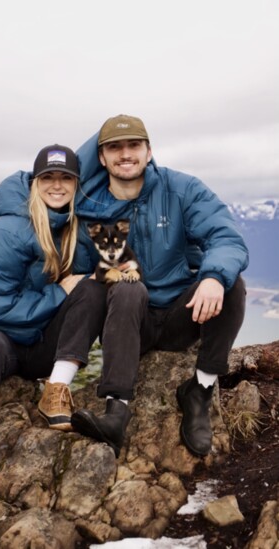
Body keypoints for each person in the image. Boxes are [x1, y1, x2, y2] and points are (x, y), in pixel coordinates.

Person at [71, 114, 248, 459]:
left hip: (180, 317)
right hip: (126, 325)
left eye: (134, 145)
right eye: (114, 147)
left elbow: (226, 237)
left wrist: (212, 277)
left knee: (231, 283)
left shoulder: (181, 189)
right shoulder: (90, 208)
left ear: (149, 151)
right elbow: (81, 273)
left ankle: (199, 389)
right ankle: (116, 411)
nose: (125, 154)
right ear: (101, 157)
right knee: (126, 286)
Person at [0, 144, 106, 511]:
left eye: (65, 178)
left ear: (76, 184)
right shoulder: (0, 234)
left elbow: (102, 270)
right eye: (47, 177)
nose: (56, 185)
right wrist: (57, 293)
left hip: (41, 343)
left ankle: (56, 389)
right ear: (34, 184)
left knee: (93, 288)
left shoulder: (75, 230)